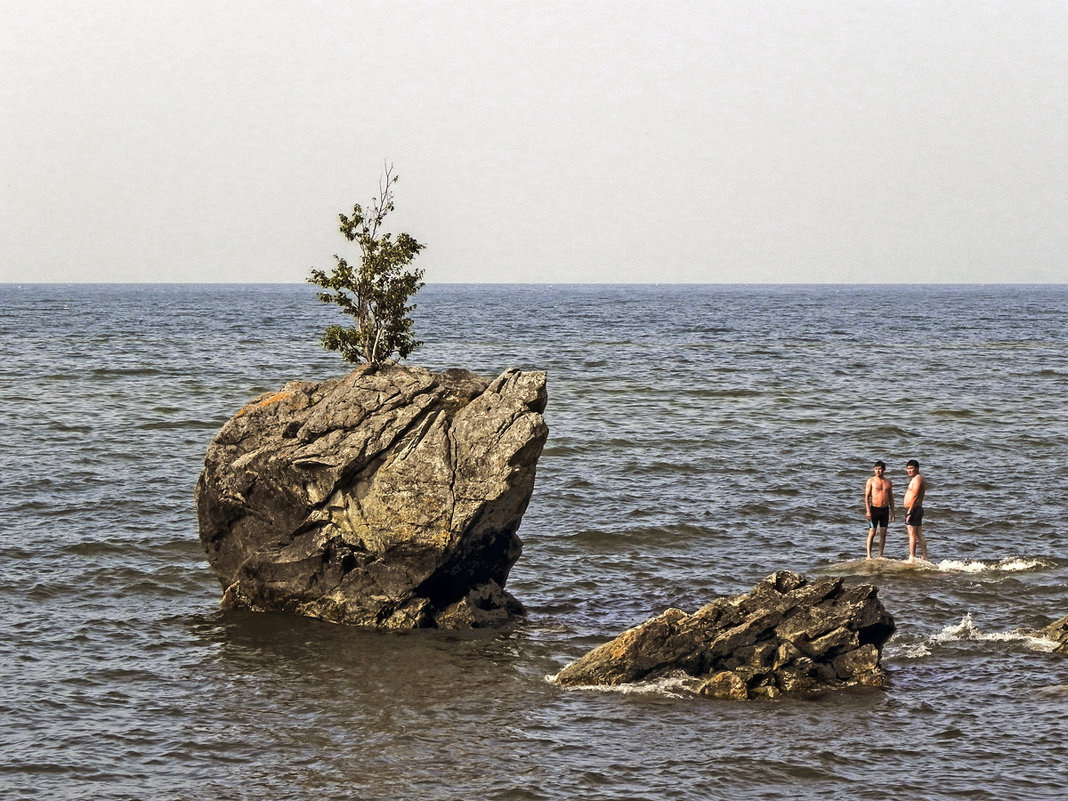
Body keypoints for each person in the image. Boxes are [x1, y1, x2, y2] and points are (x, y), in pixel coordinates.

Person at [864, 461, 895, 558]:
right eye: (876, 469)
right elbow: (866, 497)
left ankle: (880, 555)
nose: (878, 471)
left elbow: (891, 497)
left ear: (884, 470)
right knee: (872, 532)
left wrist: (892, 511)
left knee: (883, 533)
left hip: (884, 510)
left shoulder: (888, 482)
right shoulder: (871, 481)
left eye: (880, 469)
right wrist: (868, 510)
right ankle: (869, 555)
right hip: (874, 510)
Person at [903, 459, 928, 561]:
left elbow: (915, 496)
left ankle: (912, 557)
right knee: (918, 534)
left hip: (914, 509)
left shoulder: (918, 479)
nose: (909, 471)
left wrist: (910, 511)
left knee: (912, 534)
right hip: (915, 508)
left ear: (917, 468)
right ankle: (925, 557)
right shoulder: (916, 478)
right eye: (908, 468)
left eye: (911, 468)